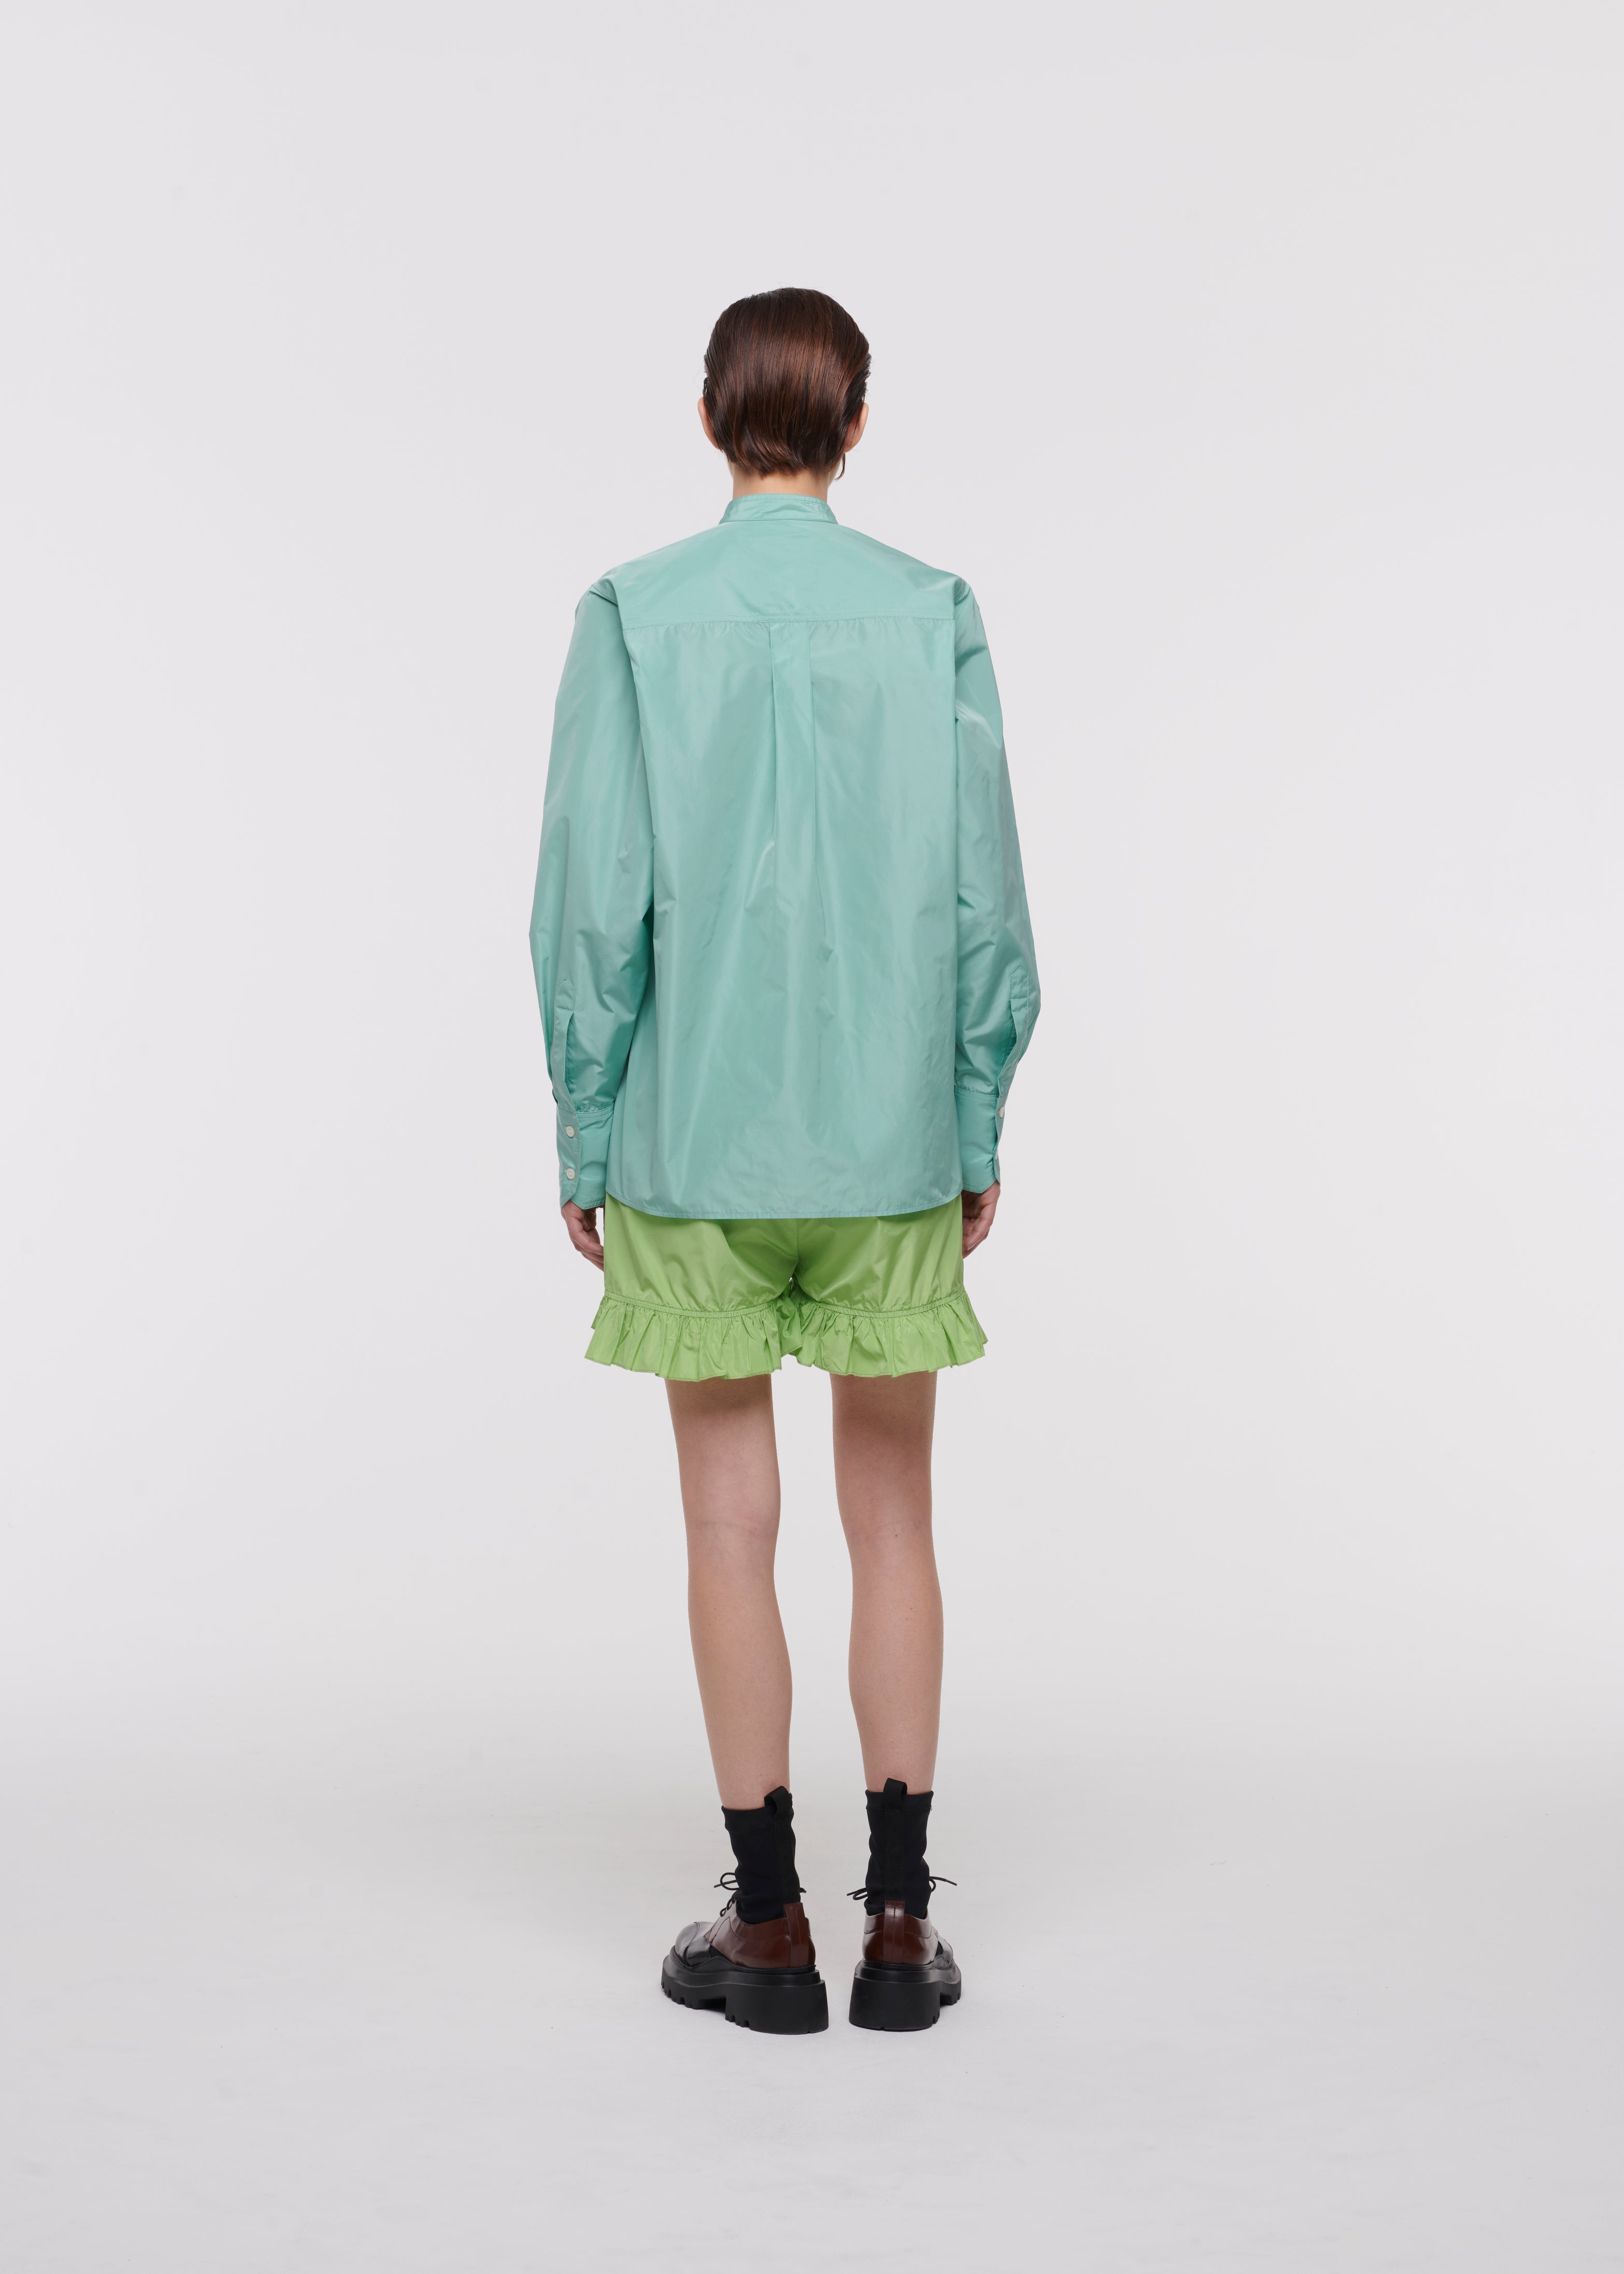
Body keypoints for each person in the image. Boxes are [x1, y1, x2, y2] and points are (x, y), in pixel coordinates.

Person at [529, 288, 1038, 2034]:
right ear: (856, 426)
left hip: (694, 1139)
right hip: (890, 1138)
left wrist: (587, 1117)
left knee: (726, 1521)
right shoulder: (930, 611)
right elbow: (984, 892)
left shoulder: (633, 611)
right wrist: (973, 1110)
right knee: (894, 1517)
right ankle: (898, 1927)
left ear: (709, 419)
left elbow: (592, 892)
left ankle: (765, 1929)